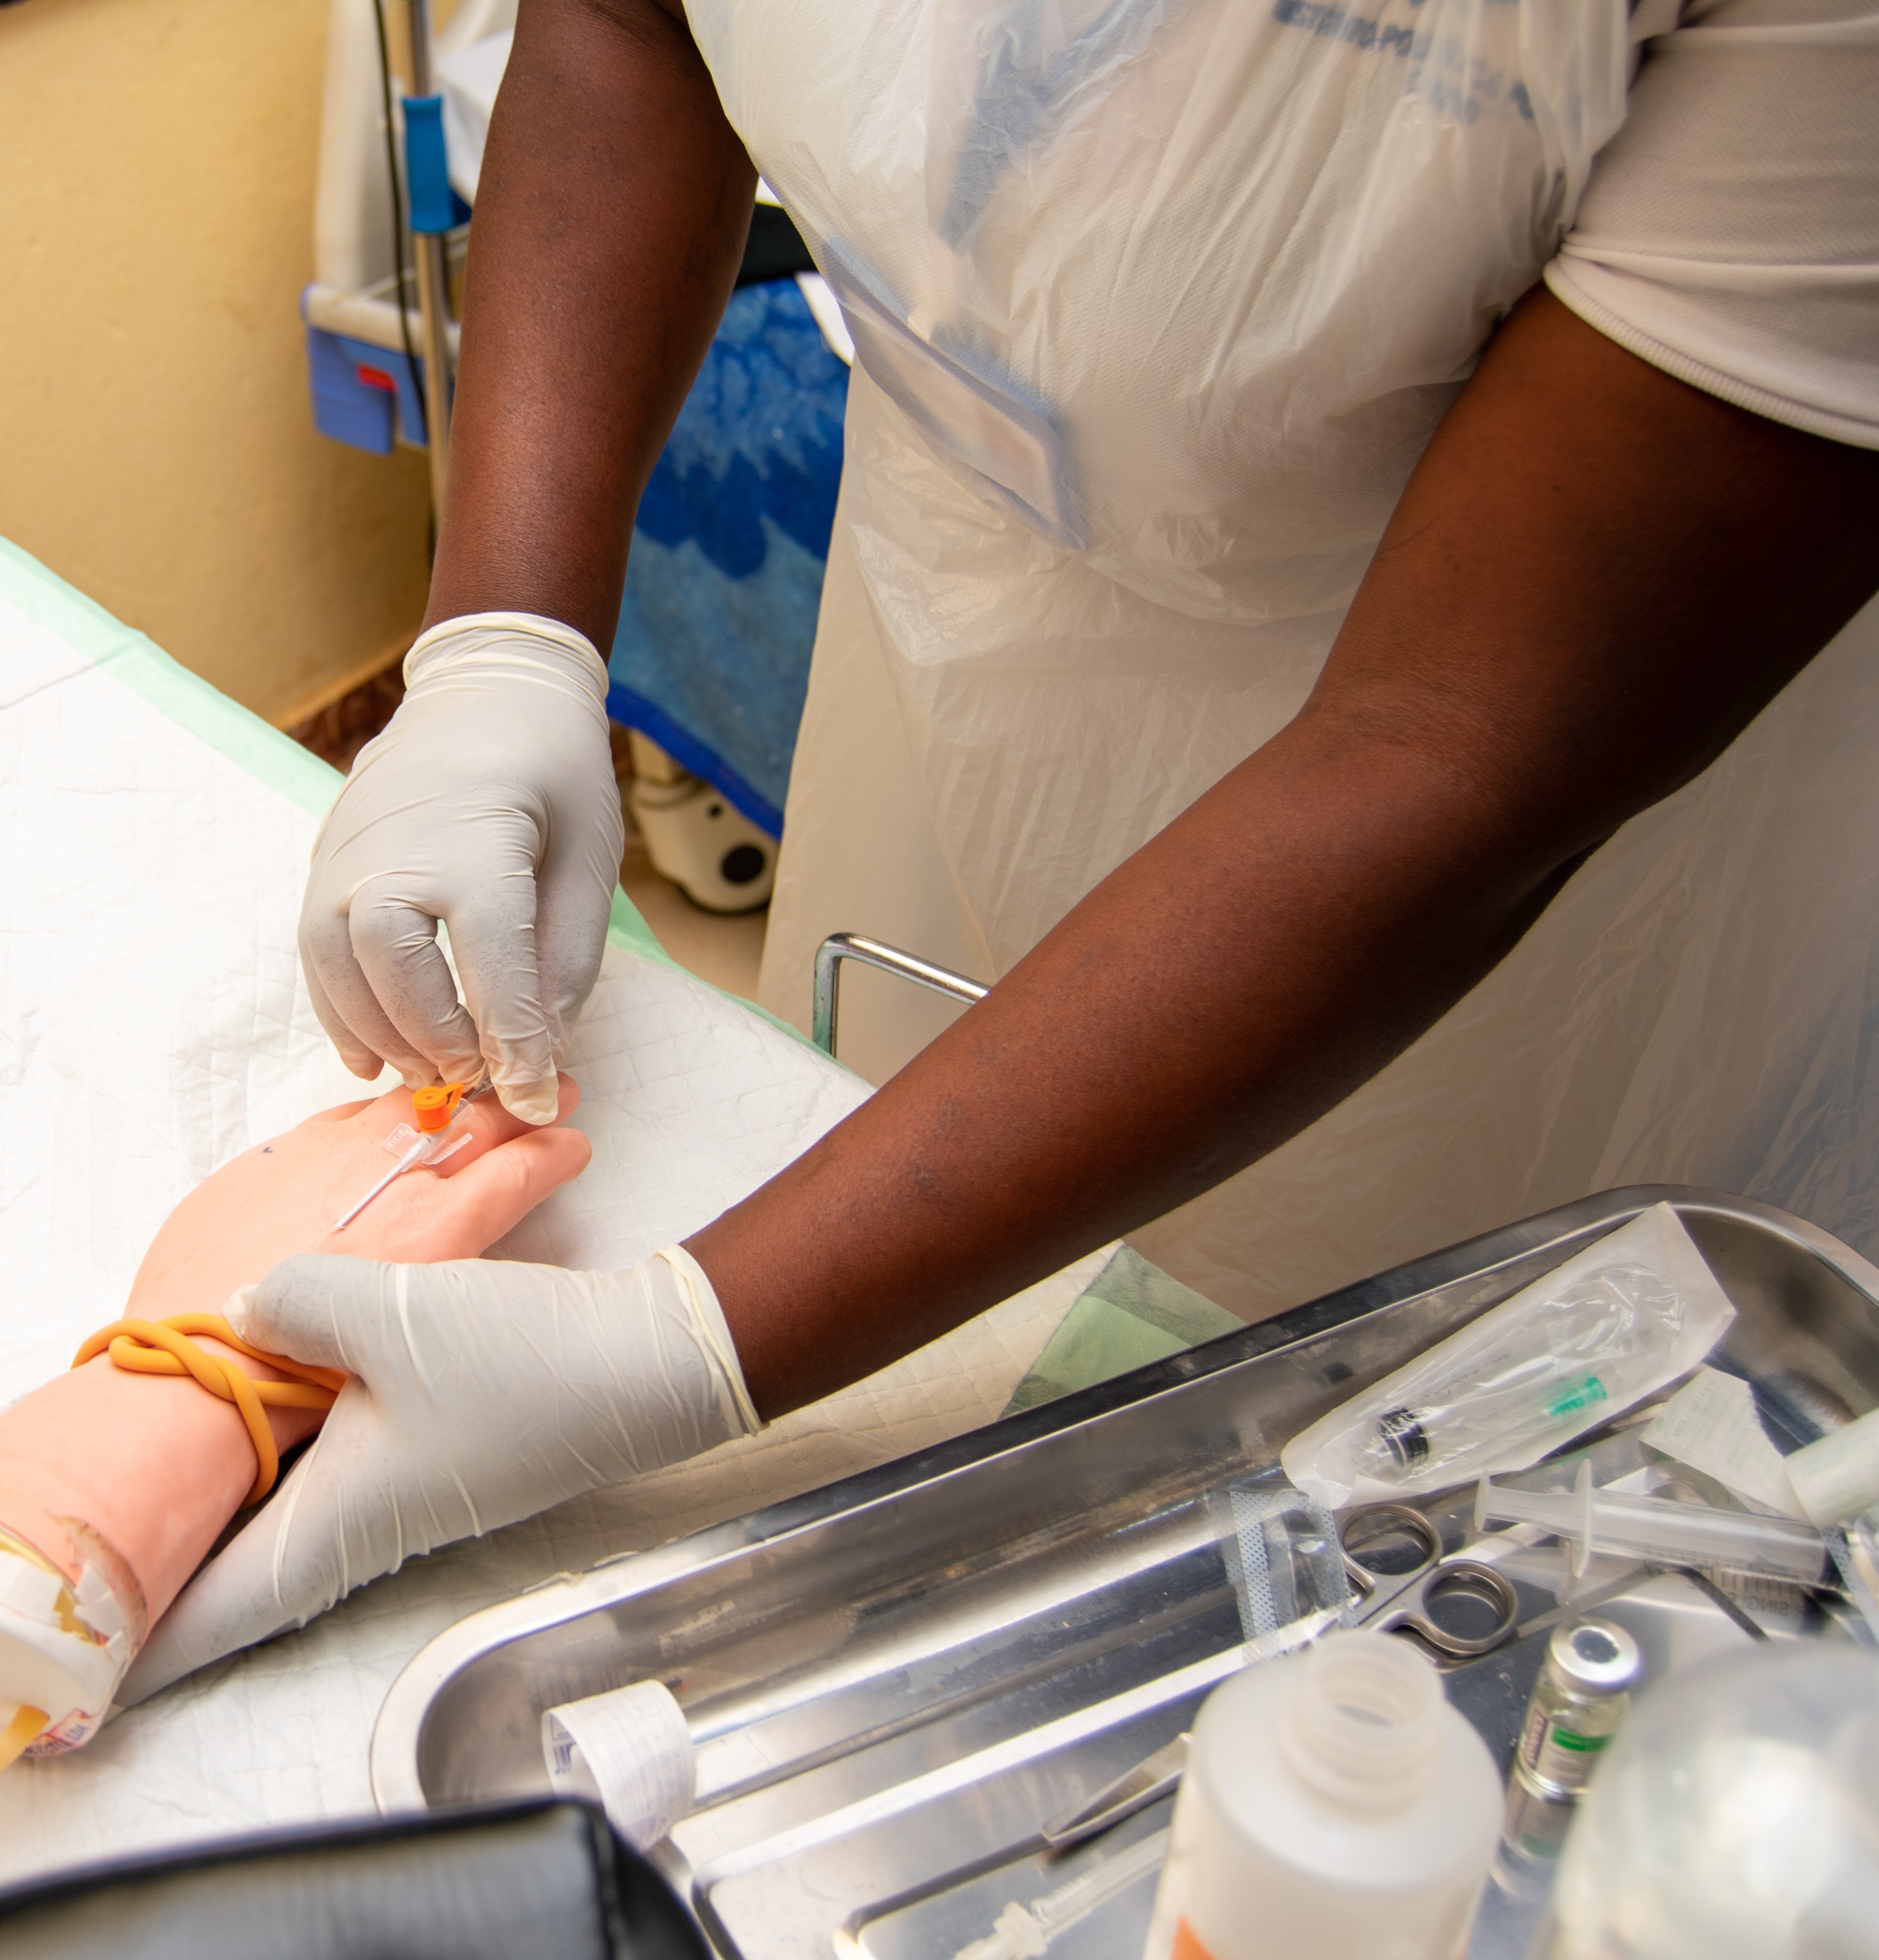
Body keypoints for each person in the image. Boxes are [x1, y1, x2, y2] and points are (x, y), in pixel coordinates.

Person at [125, 0, 1879, 1693]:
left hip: (1510, 875)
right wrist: (502, 641)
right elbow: (633, 20)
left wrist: (677, 1352)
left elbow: (1456, 746)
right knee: (918, 1283)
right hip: (970, 634)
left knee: (1386, 1508)